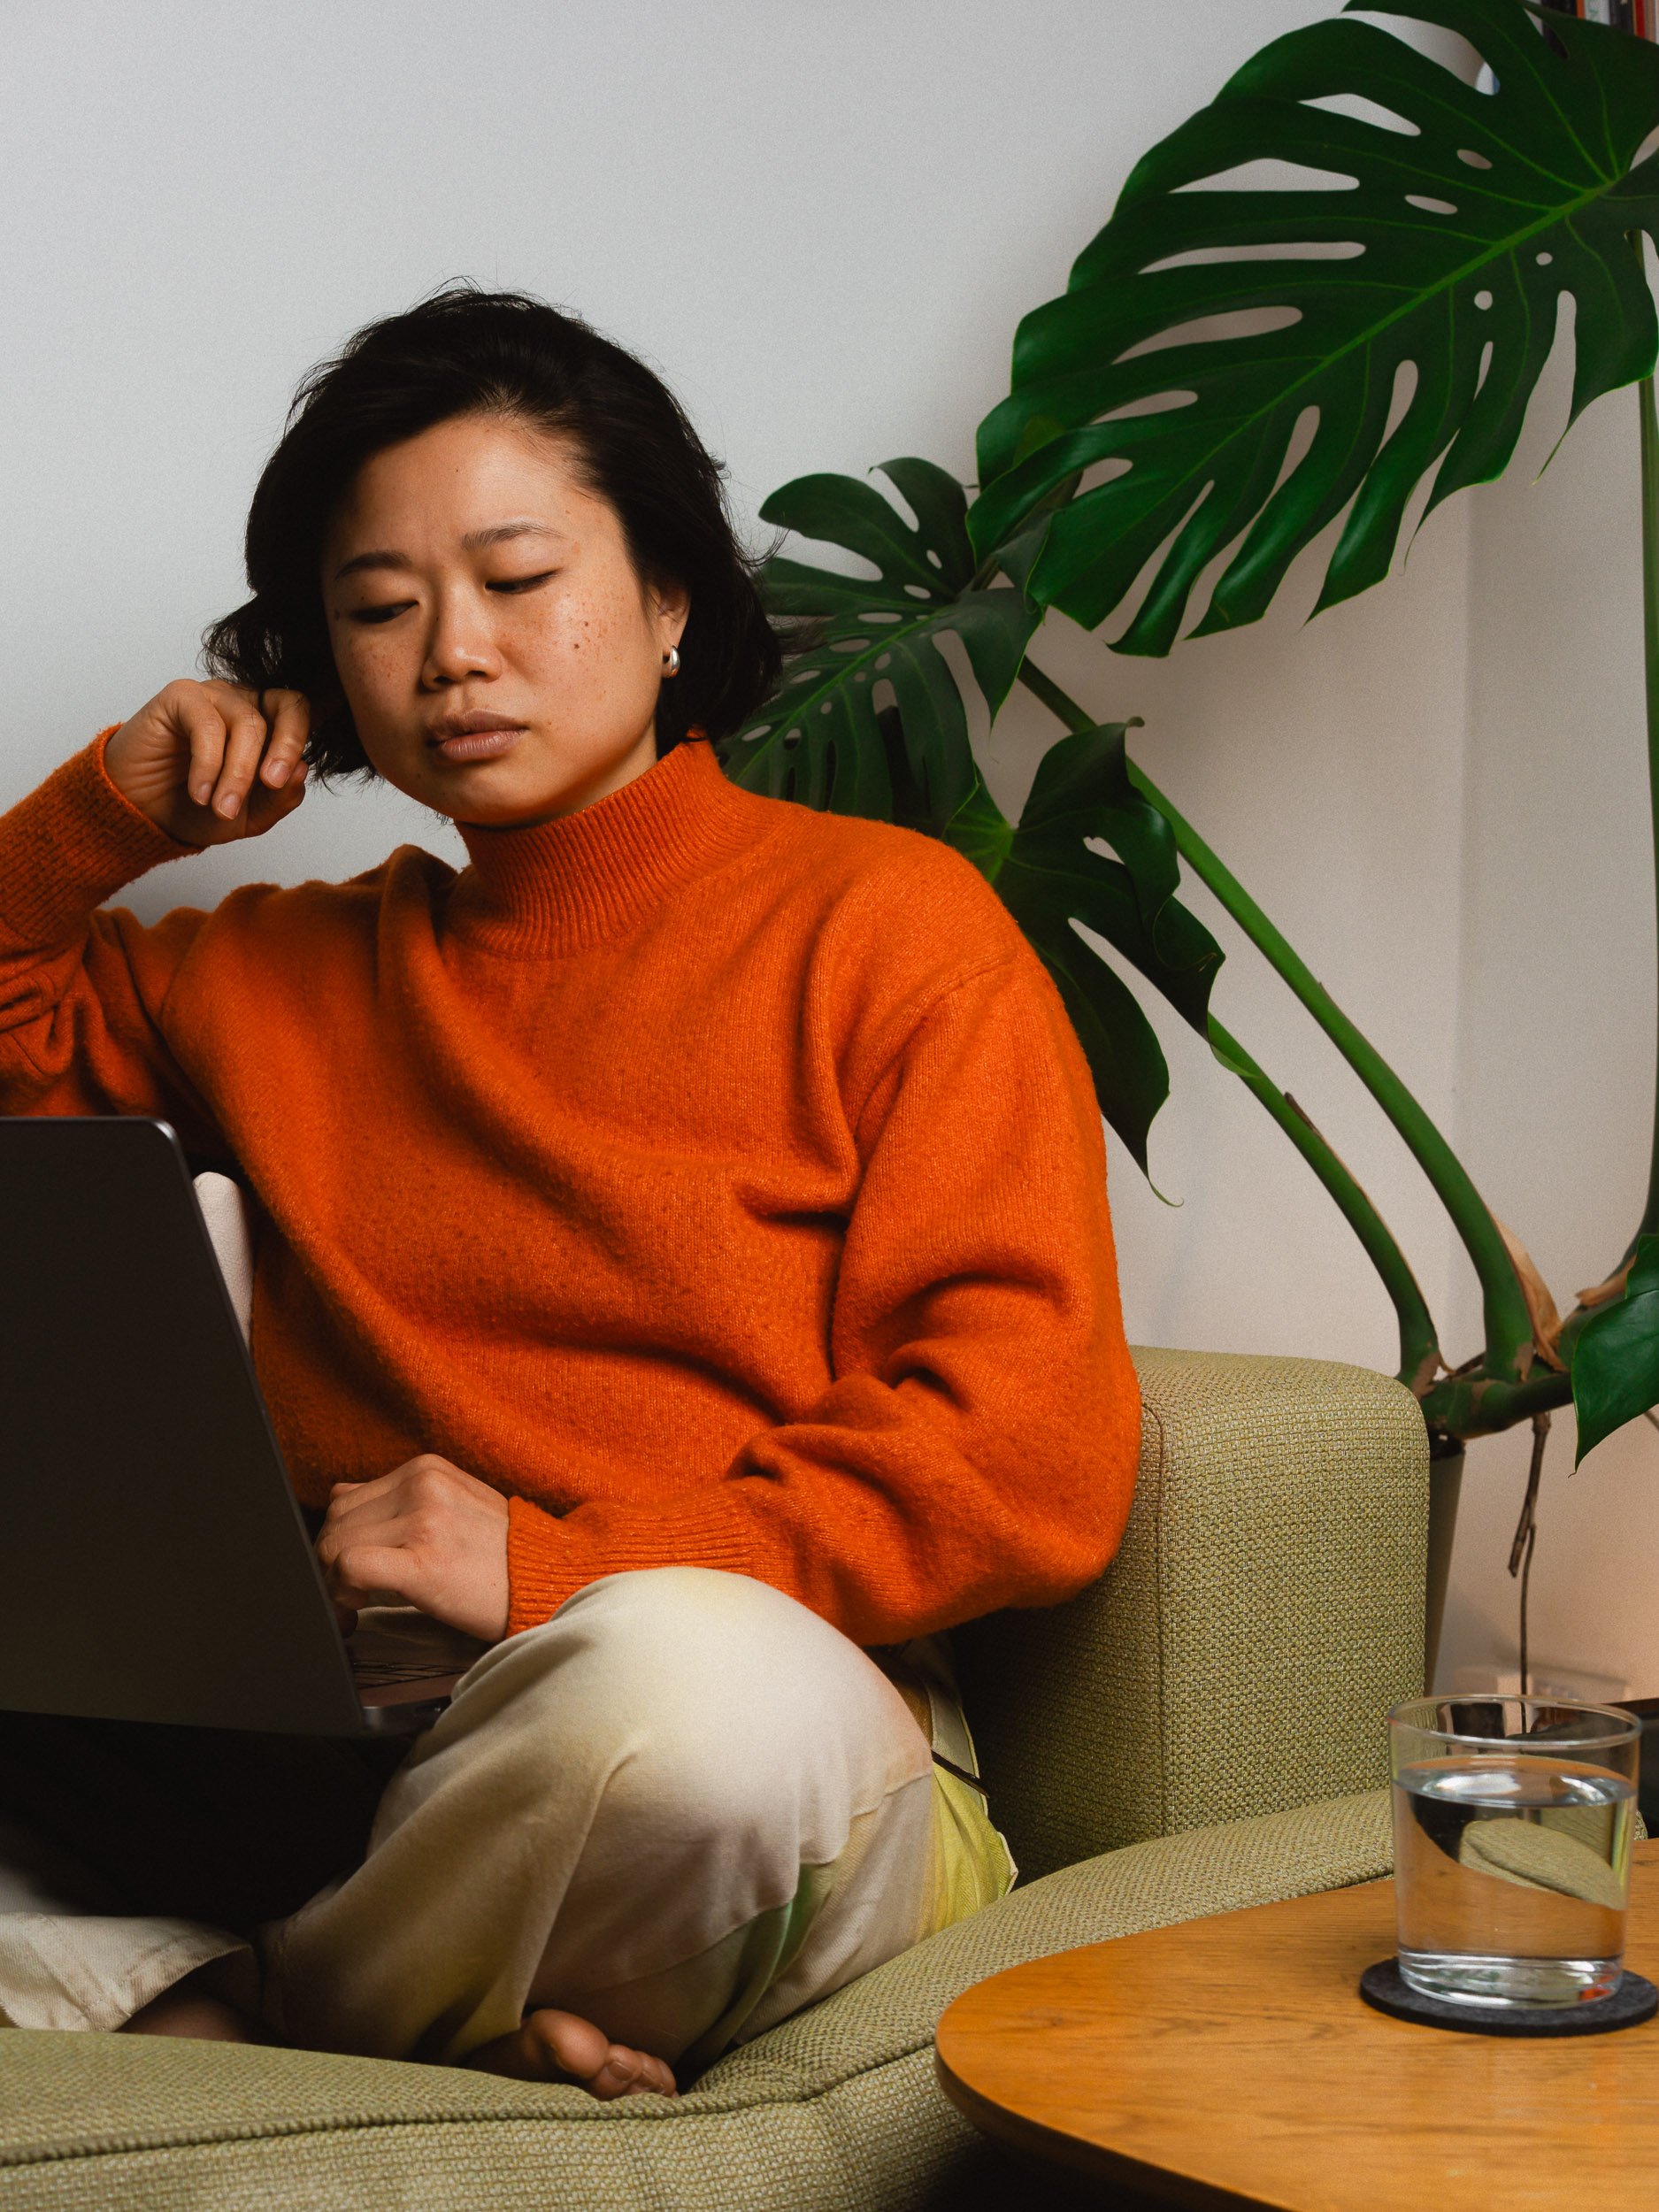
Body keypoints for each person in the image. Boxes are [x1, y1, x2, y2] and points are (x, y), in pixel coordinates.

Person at [0, 283, 1141, 2097]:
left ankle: (234, 2022)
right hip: (328, 1769)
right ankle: (458, 2015)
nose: (452, 651)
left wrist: (547, 1566)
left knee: (685, 1709)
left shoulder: (890, 933)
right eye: (380, 609)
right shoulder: (263, 973)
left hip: (734, 1738)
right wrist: (96, 820)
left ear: (673, 599)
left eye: (518, 580)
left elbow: (1021, 1453)